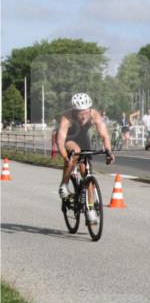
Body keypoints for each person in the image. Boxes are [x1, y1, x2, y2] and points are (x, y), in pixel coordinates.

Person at [56, 93, 115, 225]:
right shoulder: (67, 117)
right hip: (69, 140)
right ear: (74, 112)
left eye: (86, 113)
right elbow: (60, 141)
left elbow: (105, 136)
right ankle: (63, 185)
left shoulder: (94, 115)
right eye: (80, 113)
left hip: (83, 139)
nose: (84, 116)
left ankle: (90, 210)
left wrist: (108, 152)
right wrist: (65, 157)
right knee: (75, 152)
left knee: (87, 175)